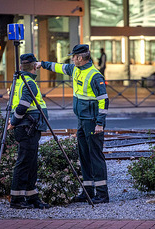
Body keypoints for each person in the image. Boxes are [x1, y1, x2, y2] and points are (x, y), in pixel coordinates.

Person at [37, 44, 110, 204]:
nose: (72, 58)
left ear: (80, 58)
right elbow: (58, 67)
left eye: (74, 56)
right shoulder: (75, 69)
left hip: (92, 121)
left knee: (95, 157)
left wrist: (100, 123)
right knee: (84, 156)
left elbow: (104, 100)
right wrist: (41, 64)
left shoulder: (95, 76)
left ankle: (102, 195)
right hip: (82, 120)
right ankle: (88, 192)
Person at [7, 53, 50, 209]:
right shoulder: (29, 82)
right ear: (34, 67)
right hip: (28, 127)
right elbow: (23, 105)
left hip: (26, 127)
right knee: (25, 163)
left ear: (20, 67)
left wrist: (14, 121)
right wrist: (14, 121)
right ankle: (17, 199)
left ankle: (32, 197)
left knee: (31, 163)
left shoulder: (17, 82)